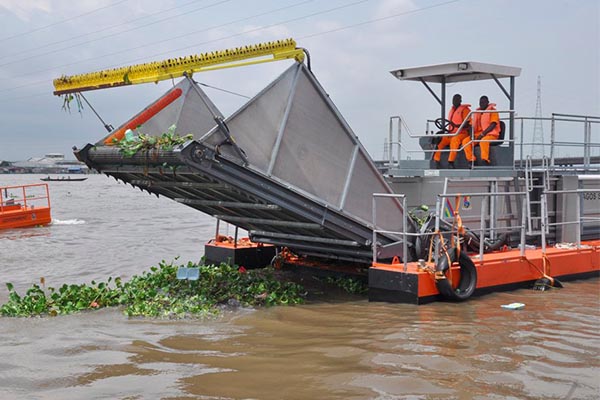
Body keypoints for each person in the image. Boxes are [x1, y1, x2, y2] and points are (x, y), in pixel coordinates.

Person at [433, 94, 471, 168]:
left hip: (462, 133)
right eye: (453, 99)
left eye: (456, 99)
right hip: (452, 133)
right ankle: (436, 160)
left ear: (460, 100)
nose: (454, 101)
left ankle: (451, 161)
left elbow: (468, 124)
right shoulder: (452, 110)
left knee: (454, 140)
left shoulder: (465, 110)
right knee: (440, 140)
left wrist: (457, 126)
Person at [462, 95, 500, 165]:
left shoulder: (493, 111)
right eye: (480, 103)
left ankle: (485, 160)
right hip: (478, 134)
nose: (482, 104)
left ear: (487, 102)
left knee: (483, 141)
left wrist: (483, 134)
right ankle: (471, 160)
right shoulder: (477, 112)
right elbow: (471, 124)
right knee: (466, 141)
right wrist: (471, 135)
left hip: (491, 134)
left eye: (483, 102)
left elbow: (493, 124)